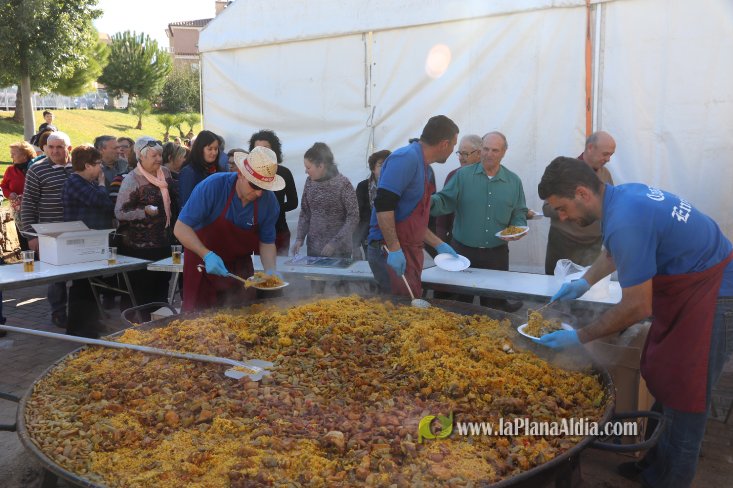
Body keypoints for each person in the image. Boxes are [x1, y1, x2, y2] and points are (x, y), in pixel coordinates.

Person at [536, 156, 733, 488]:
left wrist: (580, 336)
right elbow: (614, 253)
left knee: (687, 400)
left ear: (582, 193)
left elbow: (637, 306)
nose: (563, 217)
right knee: (670, 383)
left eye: (562, 208)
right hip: (693, 292)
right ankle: (653, 469)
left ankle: (670, 481)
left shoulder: (626, 219)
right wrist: (584, 281)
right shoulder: (622, 197)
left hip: (717, 295)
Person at [173, 146, 283, 311]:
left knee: (242, 317)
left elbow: (267, 242)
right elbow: (180, 228)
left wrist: (270, 271)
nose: (259, 193)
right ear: (240, 174)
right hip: (203, 264)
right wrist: (207, 254)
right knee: (197, 319)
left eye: (264, 188)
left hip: (239, 270)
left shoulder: (269, 202)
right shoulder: (213, 186)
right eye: (254, 185)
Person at [430, 131, 528, 312]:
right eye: (486, 149)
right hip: (462, 253)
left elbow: (519, 211)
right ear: (480, 149)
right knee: (458, 307)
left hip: (496, 255)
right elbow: (444, 200)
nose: (489, 154)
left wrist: (518, 227)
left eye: (495, 150)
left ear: (504, 152)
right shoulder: (462, 176)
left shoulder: (513, 181)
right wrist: (426, 202)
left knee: (494, 308)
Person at [366, 115, 459, 297]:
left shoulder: (424, 166)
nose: (452, 151)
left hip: (409, 249)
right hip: (388, 250)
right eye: (453, 145)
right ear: (444, 144)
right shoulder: (405, 158)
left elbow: (412, 219)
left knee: (410, 305)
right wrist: (394, 249)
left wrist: (439, 244)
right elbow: (383, 205)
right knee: (399, 309)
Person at [114, 137, 179, 310]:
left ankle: (160, 320)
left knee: (162, 287)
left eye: (160, 155)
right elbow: (119, 212)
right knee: (143, 291)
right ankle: (140, 323)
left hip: (163, 243)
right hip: (139, 248)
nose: (158, 159)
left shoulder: (165, 173)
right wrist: (144, 211)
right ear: (141, 157)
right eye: (154, 156)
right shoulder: (132, 179)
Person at [543, 131, 616, 275]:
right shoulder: (564, 172)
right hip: (564, 244)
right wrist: (568, 210)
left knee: (589, 286)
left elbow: (610, 204)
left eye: (610, 155)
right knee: (557, 285)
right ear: (590, 148)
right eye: (605, 154)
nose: (608, 159)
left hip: (594, 245)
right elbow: (546, 208)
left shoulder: (605, 174)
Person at [21, 131, 73, 328]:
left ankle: (80, 310)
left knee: (79, 273)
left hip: (76, 230)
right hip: (50, 233)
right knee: (56, 276)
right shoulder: (37, 169)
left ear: (69, 148)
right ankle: (58, 312)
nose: (54, 151)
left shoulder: (78, 167)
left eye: (59, 147)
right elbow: (28, 204)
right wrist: (31, 236)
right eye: (50, 147)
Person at [61, 145, 114, 338]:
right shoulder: (75, 182)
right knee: (82, 285)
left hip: (93, 241)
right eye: (98, 163)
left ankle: (91, 321)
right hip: (80, 243)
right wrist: (102, 185)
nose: (101, 167)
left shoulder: (87, 182)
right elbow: (101, 202)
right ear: (87, 165)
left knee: (94, 283)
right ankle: (77, 327)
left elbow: (106, 205)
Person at [292, 142, 358, 260]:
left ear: (321, 166)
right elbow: (305, 212)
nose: (306, 171)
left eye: (308, 167)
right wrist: (299, 238)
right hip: (313, 249)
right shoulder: (309, 182)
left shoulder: (343, 184)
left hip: (340, 252)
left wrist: (335, 243)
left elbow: (353, 217)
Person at [249, 130, 298, 256]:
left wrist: (274, 208)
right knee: (256, 266)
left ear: (274, 150)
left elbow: (293, 202)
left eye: (266, 148)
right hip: (254, 231)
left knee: (277, 267)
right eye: (257, 149)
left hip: (279, 231)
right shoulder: (248, 173)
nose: (261, 152)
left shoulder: (284, 172)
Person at [435, 134, 482, 244]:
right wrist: (440, 243)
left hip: (486, 244)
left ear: (479, 154)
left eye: (465, 154)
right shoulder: (453, 176)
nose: (460, 158)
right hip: (457, 242)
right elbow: (443, 213)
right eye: (459, 153)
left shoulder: (491, 177)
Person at [355, 149, 391, 259]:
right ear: (372, 168)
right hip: (369, 236)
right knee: (373, 265)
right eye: (381, 165)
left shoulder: (396, 186)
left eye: (388, 165)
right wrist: (355, 245)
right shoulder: (363, 186)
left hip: (392, 236)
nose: (385, 168)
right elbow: (356, 215)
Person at [1, 141, 34, 251]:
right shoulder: (10, 170)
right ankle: (27, 259)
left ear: (24, 155)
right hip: (19, 213)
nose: (11, 156)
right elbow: (3, 186)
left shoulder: (35, 167)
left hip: (36, 211)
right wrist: (9, 193)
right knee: (24, 239)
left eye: (14, 154)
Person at [178, 130, 222, 206]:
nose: (214, 153)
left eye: (216, 149)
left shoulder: (217, 169)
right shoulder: (189, 172)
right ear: (200, 149)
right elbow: (187, 203)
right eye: (210, 149)